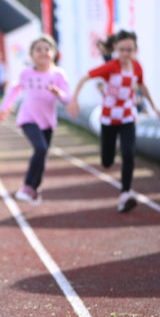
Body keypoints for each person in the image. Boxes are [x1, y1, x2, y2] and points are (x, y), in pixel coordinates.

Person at [67, 29, 160, 213]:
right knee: (107, 162)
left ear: (135, 50)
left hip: (127, 117)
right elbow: (85, 77)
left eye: (130, 50)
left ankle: (125, 193)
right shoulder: (111, 67)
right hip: (109, 119)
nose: (126, 53)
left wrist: (153, 106)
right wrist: (75, 99)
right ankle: (111, 148)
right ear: (116, 49)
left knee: (128, 154)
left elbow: (141, 85)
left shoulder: (137, 67)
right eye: (122, 49)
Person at [0, 34, 71, 205]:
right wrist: (4, 107)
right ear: (31, 55)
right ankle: (27, 187)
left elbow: (67, 98)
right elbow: (14, 90)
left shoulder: (58, 74)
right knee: (40, 148)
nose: (43, 52)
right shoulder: (26, 73)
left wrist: (59, 94)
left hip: (48, 121)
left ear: (54, 53)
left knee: (43, 155)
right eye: (38, 49)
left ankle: (34, 189)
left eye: (47, 49)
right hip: (28, 118)